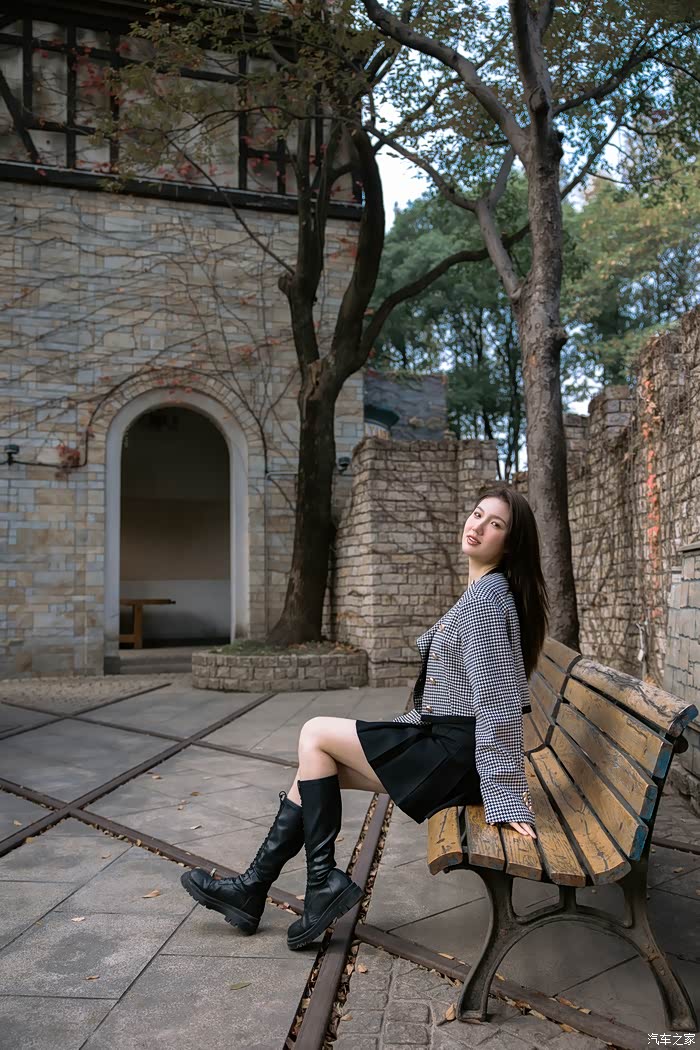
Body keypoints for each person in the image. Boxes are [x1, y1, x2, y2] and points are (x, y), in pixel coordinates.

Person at [181, 483, 549, 951]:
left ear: (510, 543)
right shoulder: (482, 591)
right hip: (445, 744)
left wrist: (505, 795)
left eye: (495, 524)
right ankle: (255, 889)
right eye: (477, 514)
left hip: (455, 757)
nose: (477, 526)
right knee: (316, 766)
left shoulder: (486, 600)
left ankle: (313, 884)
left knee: (315, 733)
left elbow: (498, 704)